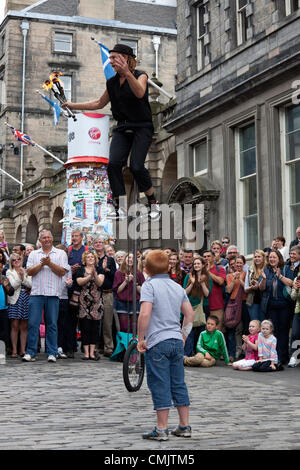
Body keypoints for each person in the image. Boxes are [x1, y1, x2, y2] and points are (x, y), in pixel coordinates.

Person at [63, 43, 159, 220]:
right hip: (122, 127)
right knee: (114, 164)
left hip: (142, 126)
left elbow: (139, 93)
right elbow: (99, 103)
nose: (111, 61)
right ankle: (120, 207)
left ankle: (153, 202)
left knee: (136, 166)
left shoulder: (140, 75)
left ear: (126, 59)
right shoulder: (112, 82)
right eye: (110, 57)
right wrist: (73, 105)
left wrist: (127, 73)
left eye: (114, 57)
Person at [137, 250, 194, 441]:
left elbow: (145, 314)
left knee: (160, 383)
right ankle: (184, 425)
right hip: (176, 340)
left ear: (146, 269)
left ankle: (161, 428)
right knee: (178, 382)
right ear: (168, 266)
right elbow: (189, 315)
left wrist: (140, 338)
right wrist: (183, 334)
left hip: (158, 341)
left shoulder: (149, 285)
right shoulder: (177, 286)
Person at [23, 230, 69, 363]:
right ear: (40, 240)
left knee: (52, 324)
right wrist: (42, 264)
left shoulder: (60, 253)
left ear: (52, 239)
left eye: (48, 237)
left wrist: (49, 263)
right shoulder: (33, 253)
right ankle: (30, 352)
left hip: (53, 293)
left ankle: (52, 352)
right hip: (36, 293)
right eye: (44, 238)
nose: (46, 239)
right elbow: (30, 271)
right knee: (33, 324)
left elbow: (62, 272)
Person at [260, 249, 294, 365]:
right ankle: (276, 356)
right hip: (272, 306)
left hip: (284, 305)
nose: (272, 259)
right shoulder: (266, 271)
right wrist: (263, 279)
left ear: (279, 258)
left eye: (274, 257)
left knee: (284, 331)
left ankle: (283, 356)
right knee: (275, 331)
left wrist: (280, 276)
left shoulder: (286, 269)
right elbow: (262, 288)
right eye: (270, 257)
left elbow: (291, 283)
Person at [74, 251, 104, 360]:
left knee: (95, 327)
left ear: (95, 259)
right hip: (84, 301)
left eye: (92, 257)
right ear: (84, 259)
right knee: (85, 327)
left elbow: (100, 283)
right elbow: (79, 282)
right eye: (88, 257)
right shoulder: (80, 269)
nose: (90, 259)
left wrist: (94, 274)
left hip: (96, 302)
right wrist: (89, 276)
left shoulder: (99, 269)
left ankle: (92, 352)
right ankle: (86, 353)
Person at [65, 229, 88, 358]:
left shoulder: (86, 250)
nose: (74, 238)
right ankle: (70, 347)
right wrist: (71, 270)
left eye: (76, 236)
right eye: (72, 236)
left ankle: (87, 347)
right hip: (71, 288)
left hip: (84, 289)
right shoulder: (68, 251)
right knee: (71, 319)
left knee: (85, 319)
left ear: (81, 237)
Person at [94, 238, 117, 357]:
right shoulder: (91, 258)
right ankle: (95, 346)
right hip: (94, 293)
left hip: (107, 292)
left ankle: (108, 347)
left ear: (104, 245)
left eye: (100, 242)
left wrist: (106, 270)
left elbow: (115, 276)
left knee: (107, 322)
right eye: (96, 242)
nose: (98, 244)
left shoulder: (110, 260)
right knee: (94, 321)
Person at [6, 254, 32, 358]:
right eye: (14, 260)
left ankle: (23, 350)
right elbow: (13, 285)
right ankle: (14, 350)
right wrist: (21, 277)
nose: (16, 261)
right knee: (14, 325)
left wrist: (23, 276)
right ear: (11, 262)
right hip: (15, 300)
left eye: (18, 259)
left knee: (24, 326)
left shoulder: (27, 271)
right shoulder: (9, 272)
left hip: (26, 298)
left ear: (22, 260)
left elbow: (30, 284)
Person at [183, 257, 209, 356]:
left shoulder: (207, 277)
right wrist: (192, 283)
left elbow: (207, 294)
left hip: (202, 308)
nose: (196, 266)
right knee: (189, 331)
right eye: (195, 264)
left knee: (201, 332)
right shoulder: (189, 276)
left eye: (198, 264)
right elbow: (184, 292)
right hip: (189, 306)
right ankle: (187, 354)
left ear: (203, 265)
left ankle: (200, 354)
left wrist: (201, 283)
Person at [113, 253, 145, 333]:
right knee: (124, 328)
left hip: (135, 303)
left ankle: (135, 344)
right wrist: (126, 281)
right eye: (129, 257)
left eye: (133, 258)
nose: (131, 259)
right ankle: (125, 345)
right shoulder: (118, 273)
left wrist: (135, 282)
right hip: (122, 303)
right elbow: (117, 291)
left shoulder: (138, 273)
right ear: (125, 259)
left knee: (135, 328)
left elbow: (143, 291)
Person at [225, 256, 247, 362]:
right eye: (236, 263)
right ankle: (232, 353)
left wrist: (240, 279)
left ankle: (245, 351)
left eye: (240, 263)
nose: (238, 265)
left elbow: (247, 289)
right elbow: (228, 290)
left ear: (244, 263)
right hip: (233, 303)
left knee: (243, 328)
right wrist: (234, 279)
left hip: (244, 303)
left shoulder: (247, 274)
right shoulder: (229, 276)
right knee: (232, 328)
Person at [55, 244, 72, 359]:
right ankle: (51, 347)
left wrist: (69, 283)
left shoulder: (68, 267)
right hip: (53, 296)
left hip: (64, 297)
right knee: (52, 323)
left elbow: (69, 282)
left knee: (61, 324)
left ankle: (59, 346)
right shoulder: (51, 265)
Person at [203, 250, 227, 332]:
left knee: (217, 332)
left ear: (213, 257)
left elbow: (220, 281)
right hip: (202, 307)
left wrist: (208, 272)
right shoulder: (200, 269)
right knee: (204, 333)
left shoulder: (219, 269)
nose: (206, 258)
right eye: (205, 256)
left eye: (208, 256)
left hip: (217, 307)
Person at [244, 250, 267, 322]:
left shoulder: (267, 269)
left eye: (259, 256)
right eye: (255, 257)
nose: (257, 258)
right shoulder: (250, 269)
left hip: (265, 301)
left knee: (264, 325)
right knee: (255, 325)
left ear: (263, 258)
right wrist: (252, 287)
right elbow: (245, 288)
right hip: (253, 302)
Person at [0, 263, 14, 352]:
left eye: (0, 267)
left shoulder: (4, 278)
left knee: (4, 331)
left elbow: (11, 292)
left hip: (3, 309)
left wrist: (6, 286)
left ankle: (2, 350)